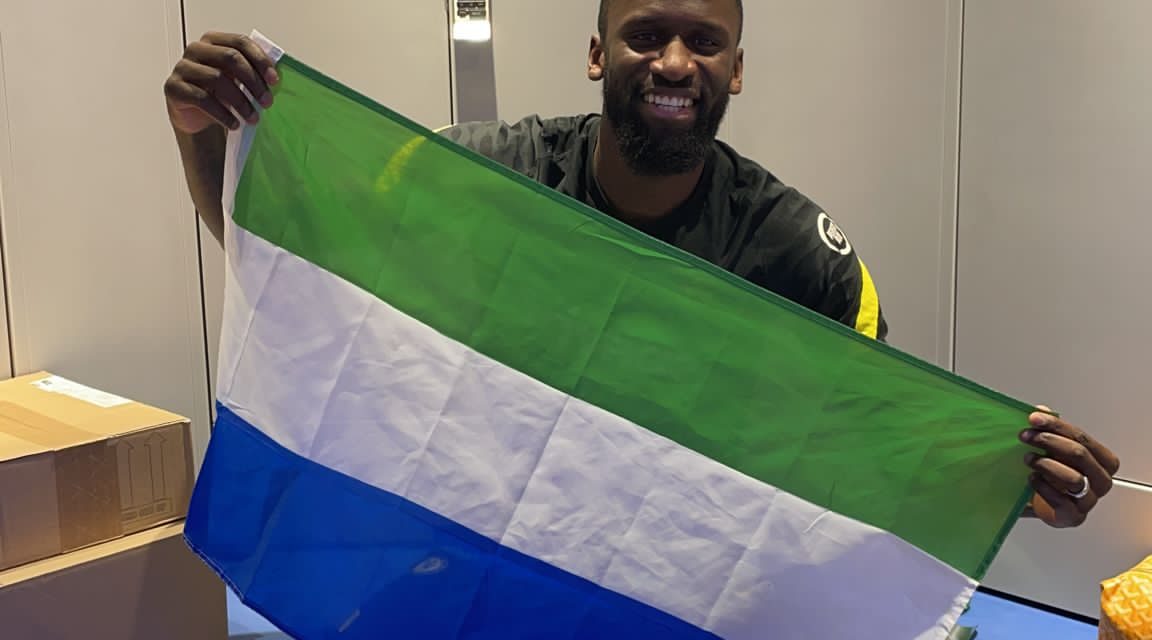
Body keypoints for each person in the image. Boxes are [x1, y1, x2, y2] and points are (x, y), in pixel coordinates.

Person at [163, 0, 1119, 529]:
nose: (673, 62)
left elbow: (874, 458)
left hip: (676, 584)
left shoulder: (799, 255)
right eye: (645, 34)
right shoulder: (483, 179)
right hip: (501, 552)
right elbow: (298, 277)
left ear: (736, 69)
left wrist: (1019, 491)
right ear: (595, 54)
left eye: (704, 42)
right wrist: (201, 134)